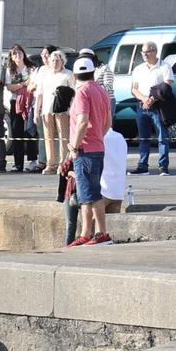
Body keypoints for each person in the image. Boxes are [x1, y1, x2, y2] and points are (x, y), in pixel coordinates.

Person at [65, 55, 115, 247]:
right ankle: (86, 233)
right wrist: (98, 137)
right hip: (97, 147)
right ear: (93, 72)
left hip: (84, 149)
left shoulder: (82, 93)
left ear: (75, 76)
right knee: (86, 194)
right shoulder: (101, 91)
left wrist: (75, 146)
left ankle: (102, 233)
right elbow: (108, 122)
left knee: (92, 193)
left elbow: (82, 121)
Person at [0, 44, 37, 173]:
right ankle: (18, 163)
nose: (17, 55)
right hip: (15, 102)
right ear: (11, 57)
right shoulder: (10, 70)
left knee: (30, 131)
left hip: (31, 102)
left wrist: (22, 86)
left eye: (19, 52)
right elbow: (10, 87)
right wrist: (22, 84)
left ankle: (33, 161)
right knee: (17, 132)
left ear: (23, 53)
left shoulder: (31, 68)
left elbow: (33, 84)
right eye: (14, 54)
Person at [130, 41, 175, 174]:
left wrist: (151, 99)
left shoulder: (165, 66)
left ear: (155, 51)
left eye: (148, 51)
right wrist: (144, 99)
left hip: (159, 106)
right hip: (142, 106)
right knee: (143, 138)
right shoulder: (138, 69)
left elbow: (167, 86)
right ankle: (143, 166)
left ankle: (163, 166)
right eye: (143, 52)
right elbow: (134, 88)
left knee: (162, 137)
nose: (145, 54)